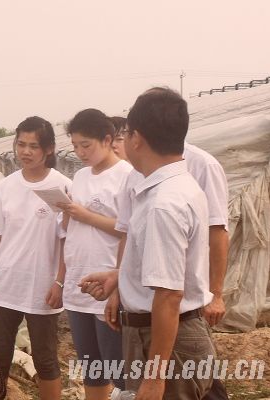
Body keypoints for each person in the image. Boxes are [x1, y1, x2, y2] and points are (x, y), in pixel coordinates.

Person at [82, 87, 217, 399]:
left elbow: (169, 294)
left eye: (126, 132)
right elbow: (174, 268)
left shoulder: (163, 204)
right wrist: (122, 276)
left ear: (137, 139)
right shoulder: (176, 187)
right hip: (163, 336)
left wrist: (155, 378)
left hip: (165, 342)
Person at [0, 116, 71, 400]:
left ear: (49, 149)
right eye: (21, 144)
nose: (25, 152)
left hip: (43, 289)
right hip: (6, 287)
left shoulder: (63, 187)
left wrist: (60, 282)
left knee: (45, 359)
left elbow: (68, 242)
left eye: (33, 146)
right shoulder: (6, 186)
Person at [56, 109, 130, 399]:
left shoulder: (126, 176)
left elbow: (129, 231)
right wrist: (67, 212)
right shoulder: (81, 176)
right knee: (92, 368)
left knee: (118, 369)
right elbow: (71, 226)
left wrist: (85, 215)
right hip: (80, 281)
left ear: (107, 140)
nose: (80, 152)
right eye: (75, 146)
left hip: (107, 284)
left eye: (86, 145)